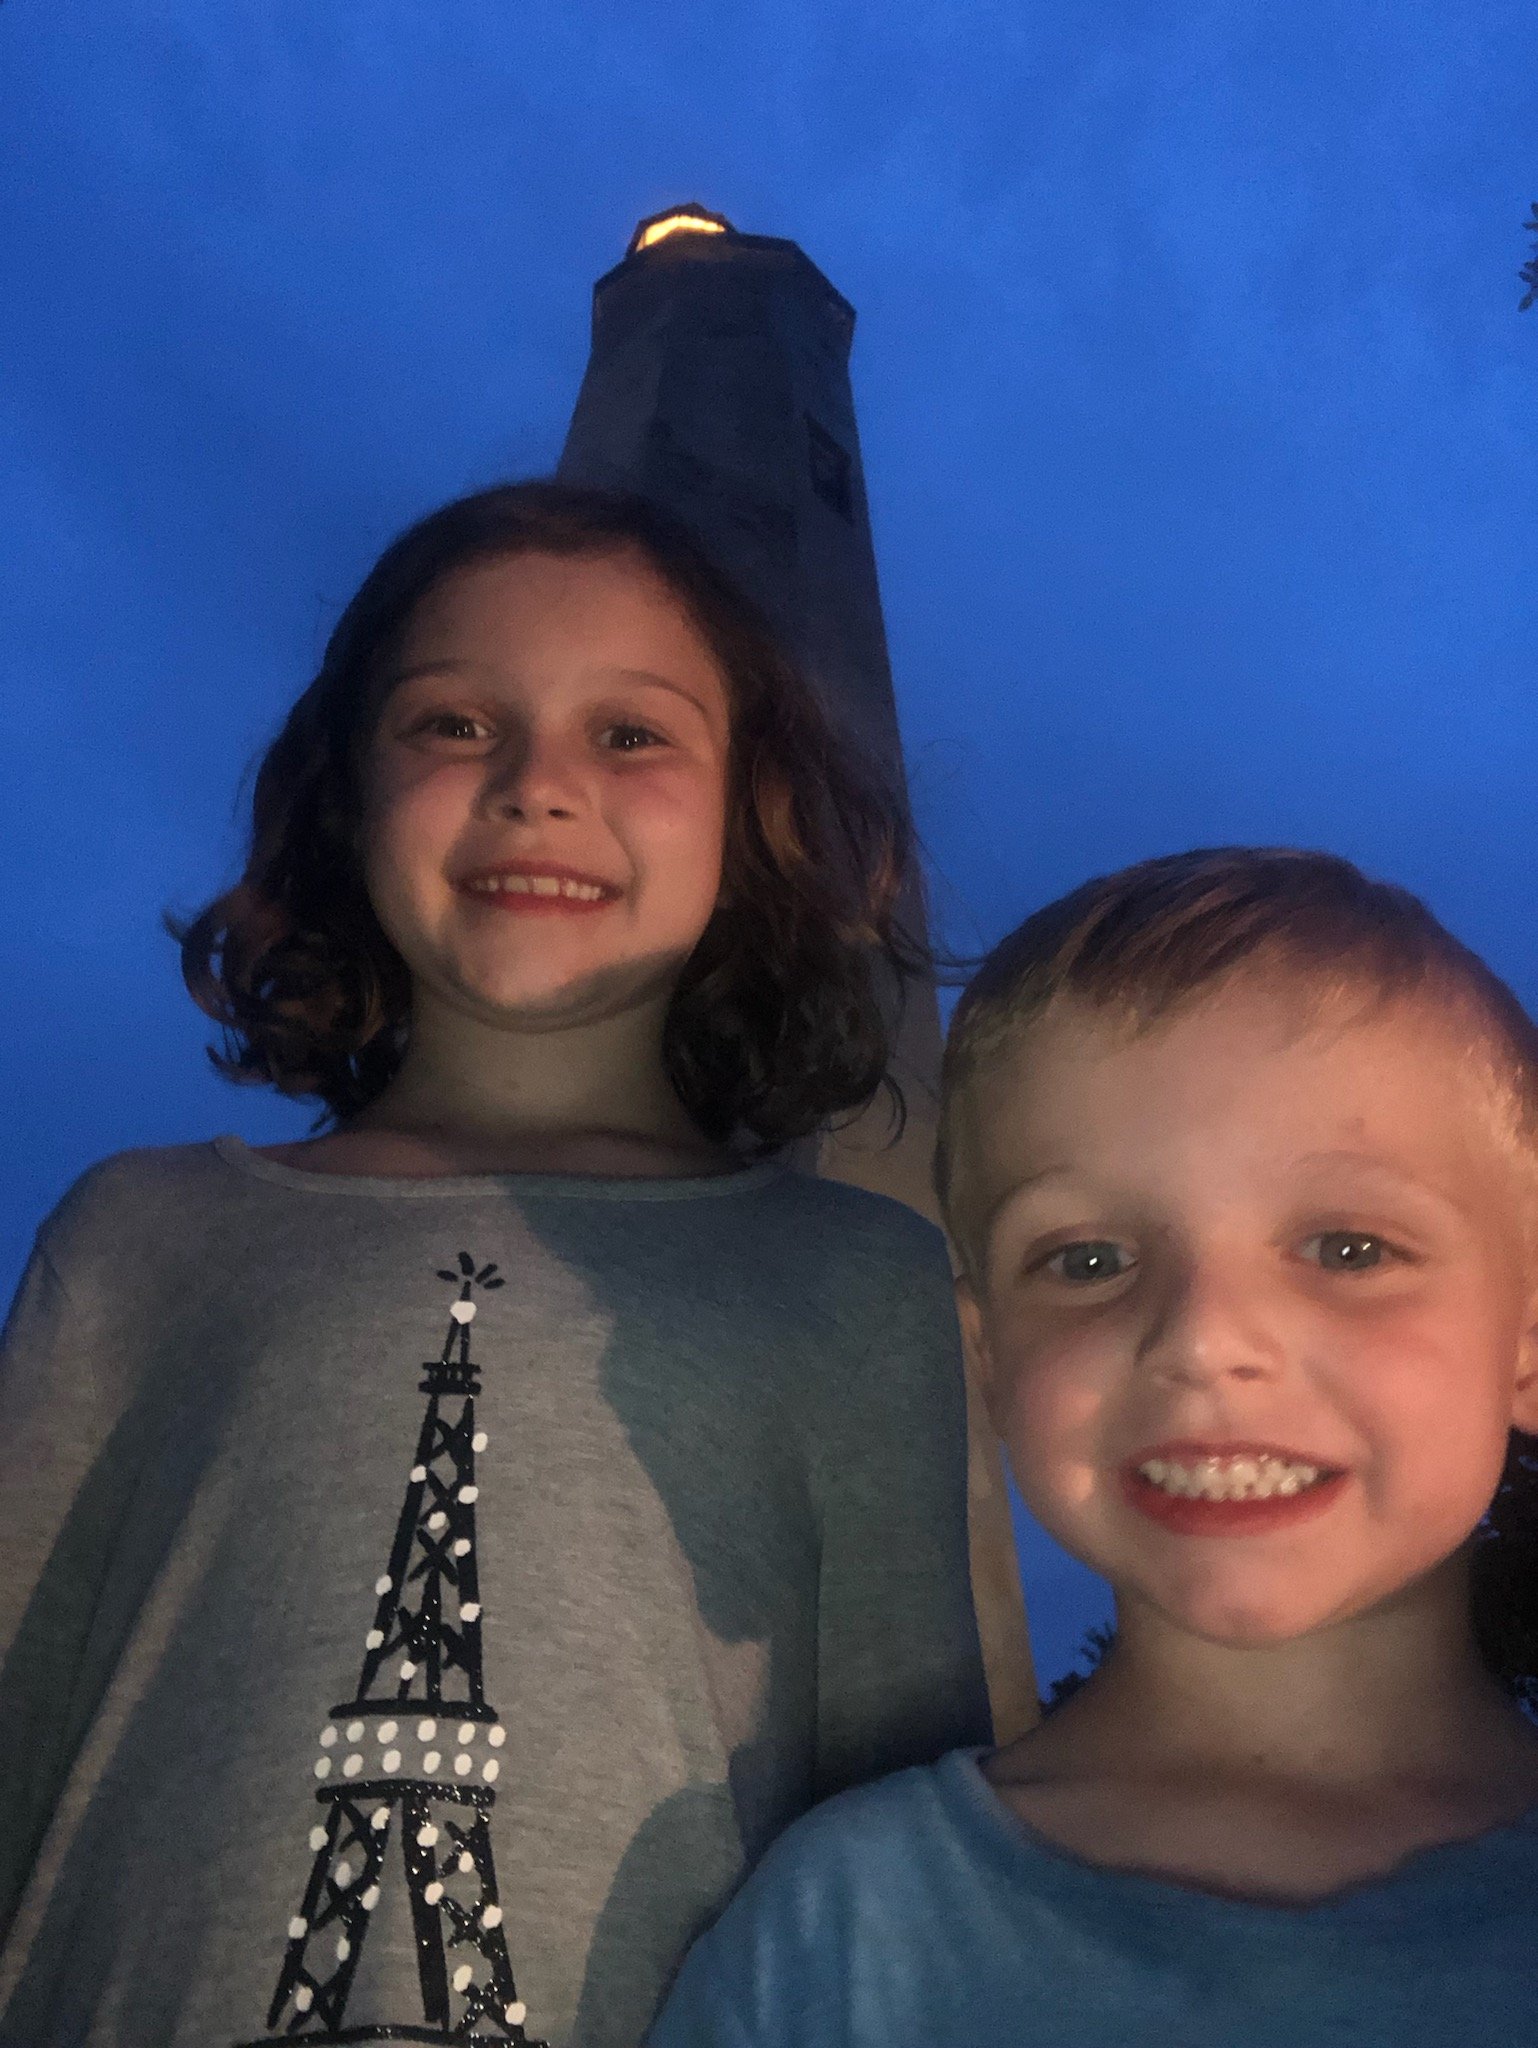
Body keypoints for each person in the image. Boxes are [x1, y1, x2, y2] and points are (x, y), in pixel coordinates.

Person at [0, 482, 992, 2048]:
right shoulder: (140, 1238)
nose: (538, 788)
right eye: (456, 724)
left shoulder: (855, 1284)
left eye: (630, 734)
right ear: (346, 797)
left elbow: (896, 1850)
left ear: (748, 820)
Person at [649, 846, 1538, 2047]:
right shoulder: (840, 1932)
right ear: (986, 1357)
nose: (1203, 1337)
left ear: (1524, 1336)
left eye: (1346, 1248)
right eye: (1087, 1260)